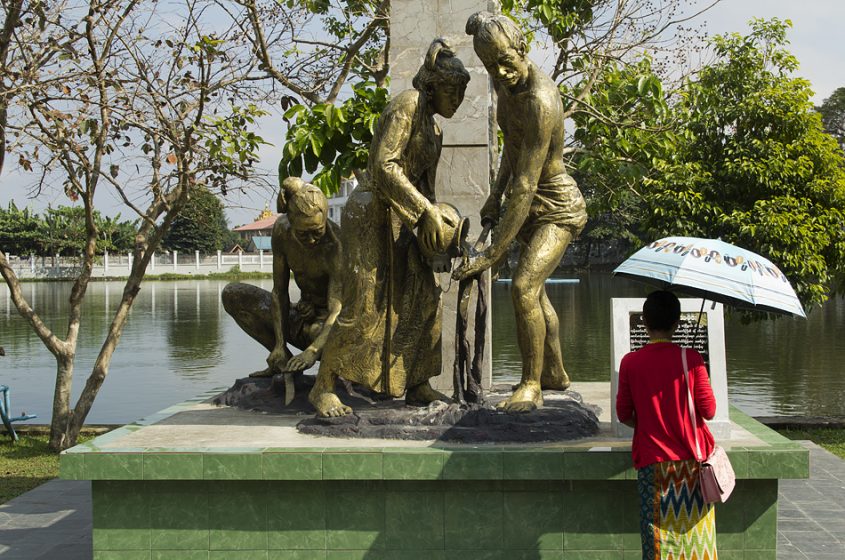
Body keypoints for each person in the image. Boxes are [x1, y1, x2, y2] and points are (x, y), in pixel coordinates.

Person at [309, 38, 471, 417]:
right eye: (452, 92)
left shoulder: (435, 131)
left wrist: (439, 237)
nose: (457, 101)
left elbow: (428, 189)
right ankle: (323, 385)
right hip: (370, 212)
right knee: (364, 303)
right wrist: (424, 212)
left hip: (406, 218)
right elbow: (384, 166)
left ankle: (417, 382)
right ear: (432, 87)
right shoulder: (407, 105)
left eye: (462, 94)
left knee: (426, 298)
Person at [454, 12, 588, 412]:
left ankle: (531, 384)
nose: (501, 72)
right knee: (538, 292)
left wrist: (491, 256)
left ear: (522, 49)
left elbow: (528, 182)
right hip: (525, 201)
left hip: (556, 207)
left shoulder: (540, 101)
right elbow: (511, 149)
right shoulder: (503, 84)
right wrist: (495, 194)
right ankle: (555, 373)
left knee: (524, 287)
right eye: (491, 66)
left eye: (506, 61)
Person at [616, 290, 718, 559]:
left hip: (653, 464)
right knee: (697, 542)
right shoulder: (692, 359)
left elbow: (623, 413)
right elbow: (709, 411)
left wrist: (648, 421)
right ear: (676, 324)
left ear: (645, 323)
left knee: (658, 542)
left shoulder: (630, 363)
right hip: (692, 464)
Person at [221, 177, 342, 377]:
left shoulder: (335, 246)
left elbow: (338, 309)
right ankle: (282, 359)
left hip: (328, 331)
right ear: (291, 222)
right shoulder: (281, 231)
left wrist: (312, 352)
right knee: (233, 294)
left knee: (316, 331)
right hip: (301, 319)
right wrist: (279, 343)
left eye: (317, 231)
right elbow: (279, 292)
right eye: (304, 234)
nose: (311, 240)